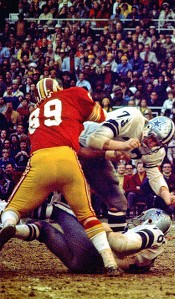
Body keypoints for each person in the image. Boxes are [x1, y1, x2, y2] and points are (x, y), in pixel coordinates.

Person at [0, 78, 122, 276]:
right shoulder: (73, 93)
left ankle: (9, 226)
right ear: (57, 88)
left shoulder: (34, 113)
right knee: (88, 216)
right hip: (67, 158)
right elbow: (101, 116)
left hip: (40, 160)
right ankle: (110, 263)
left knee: (13, 207)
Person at [79, 109, 175, 232]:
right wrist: (122, 147)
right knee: (70, 197)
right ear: (149, 127)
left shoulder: (156, 151)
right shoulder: (133, 118)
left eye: (157, 143)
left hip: (97, 158)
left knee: (118, 203)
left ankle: (117, 244)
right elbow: (93, 139)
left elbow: (155, 176)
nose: (152, 144)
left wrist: (167, 196)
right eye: (153, 138)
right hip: (74, 142)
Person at [10, 203, 169, 274]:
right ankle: (13, 230)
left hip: (94, 253)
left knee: (59, 209)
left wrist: (104, 230)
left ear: (151, 220)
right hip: (82, 266)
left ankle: (11, 210)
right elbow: (127, 258)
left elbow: (121, 245)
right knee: (44, 230)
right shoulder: (150, 255)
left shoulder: (154, 232)